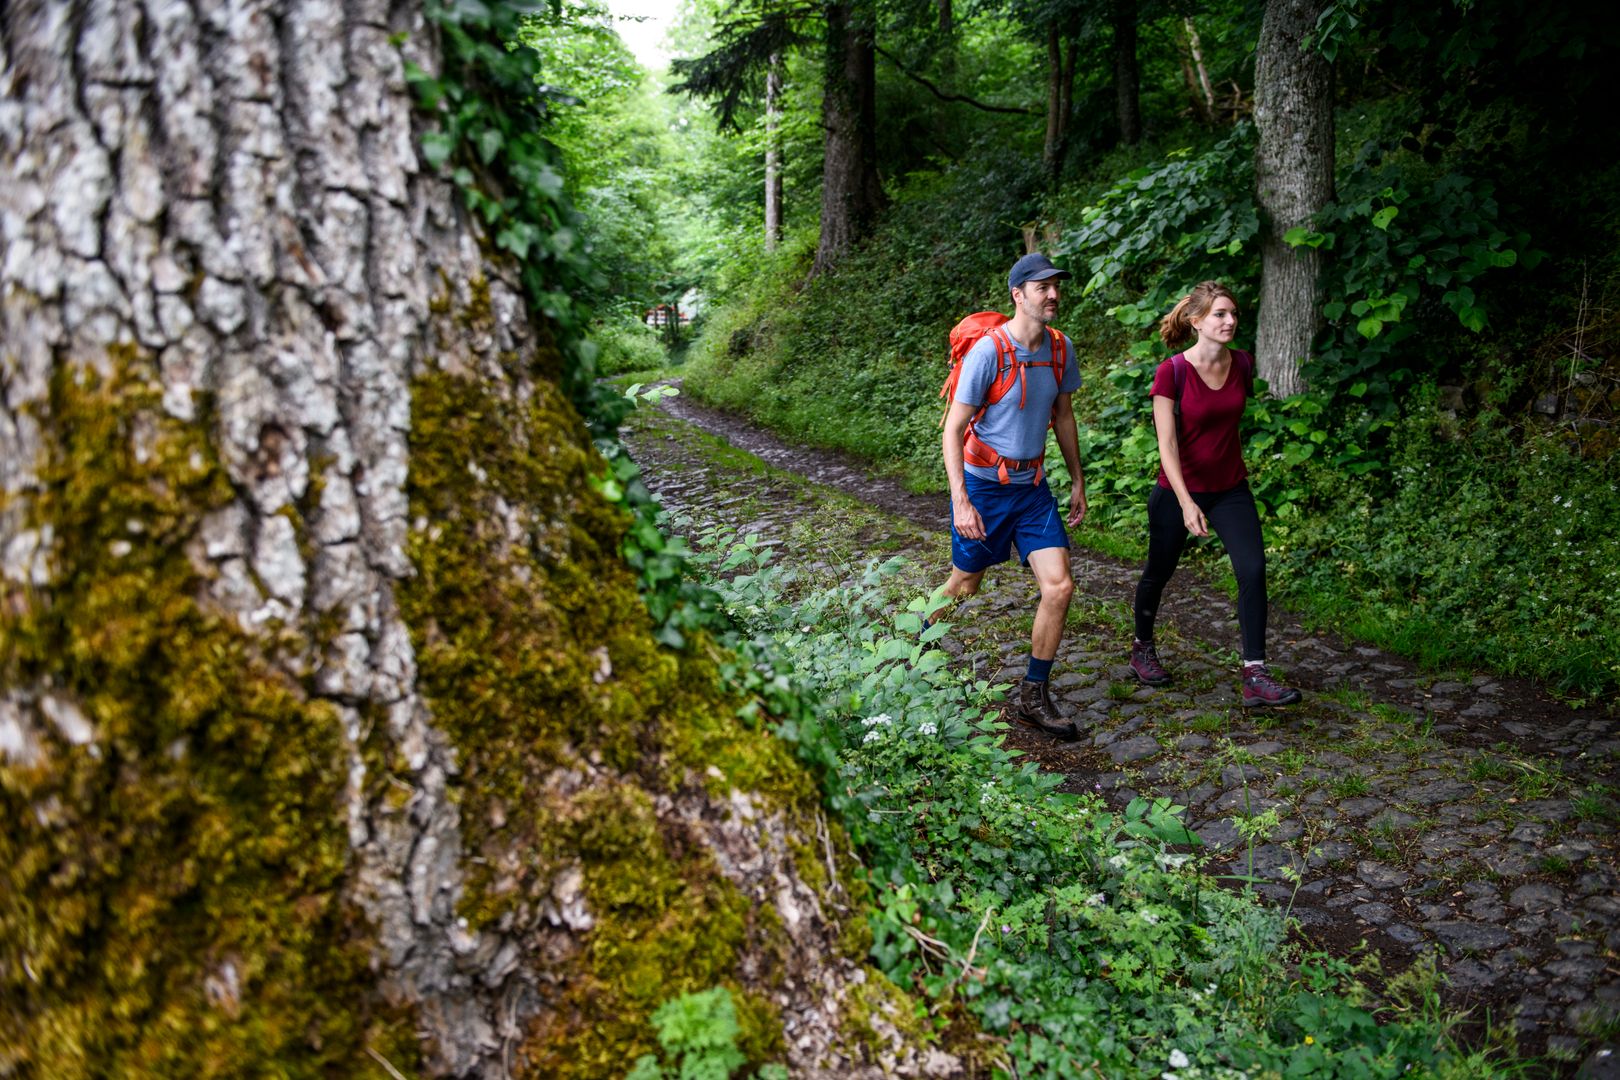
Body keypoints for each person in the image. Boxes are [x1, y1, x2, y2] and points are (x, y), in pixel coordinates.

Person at [936, 252, 1088, 739]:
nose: (1053, 294)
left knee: (1059, 587)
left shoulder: (1060, 348)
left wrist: (1078, 478)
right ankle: (913, 645)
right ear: (1018, 295)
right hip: (984, 488)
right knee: (965, 585)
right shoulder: (989, 352)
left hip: (1032, 490)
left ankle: (1033, 696)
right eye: (1042, 287)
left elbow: (1063, 416)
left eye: (1056, 286)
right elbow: (953, 429)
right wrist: (961, 500)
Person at [1128, 281, 1301, 706]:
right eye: (1220, 314)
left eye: (1233, 313)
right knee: (1159, 570)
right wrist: (1186, 502)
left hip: (1230, 490)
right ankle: (1142, 647)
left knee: (1253, 570)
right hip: (1177, 491)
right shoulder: (1172, 372)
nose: (1230, 321)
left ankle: (1255, 673)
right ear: (1196, 321)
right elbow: (1167, 445)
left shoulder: (1242, 363)